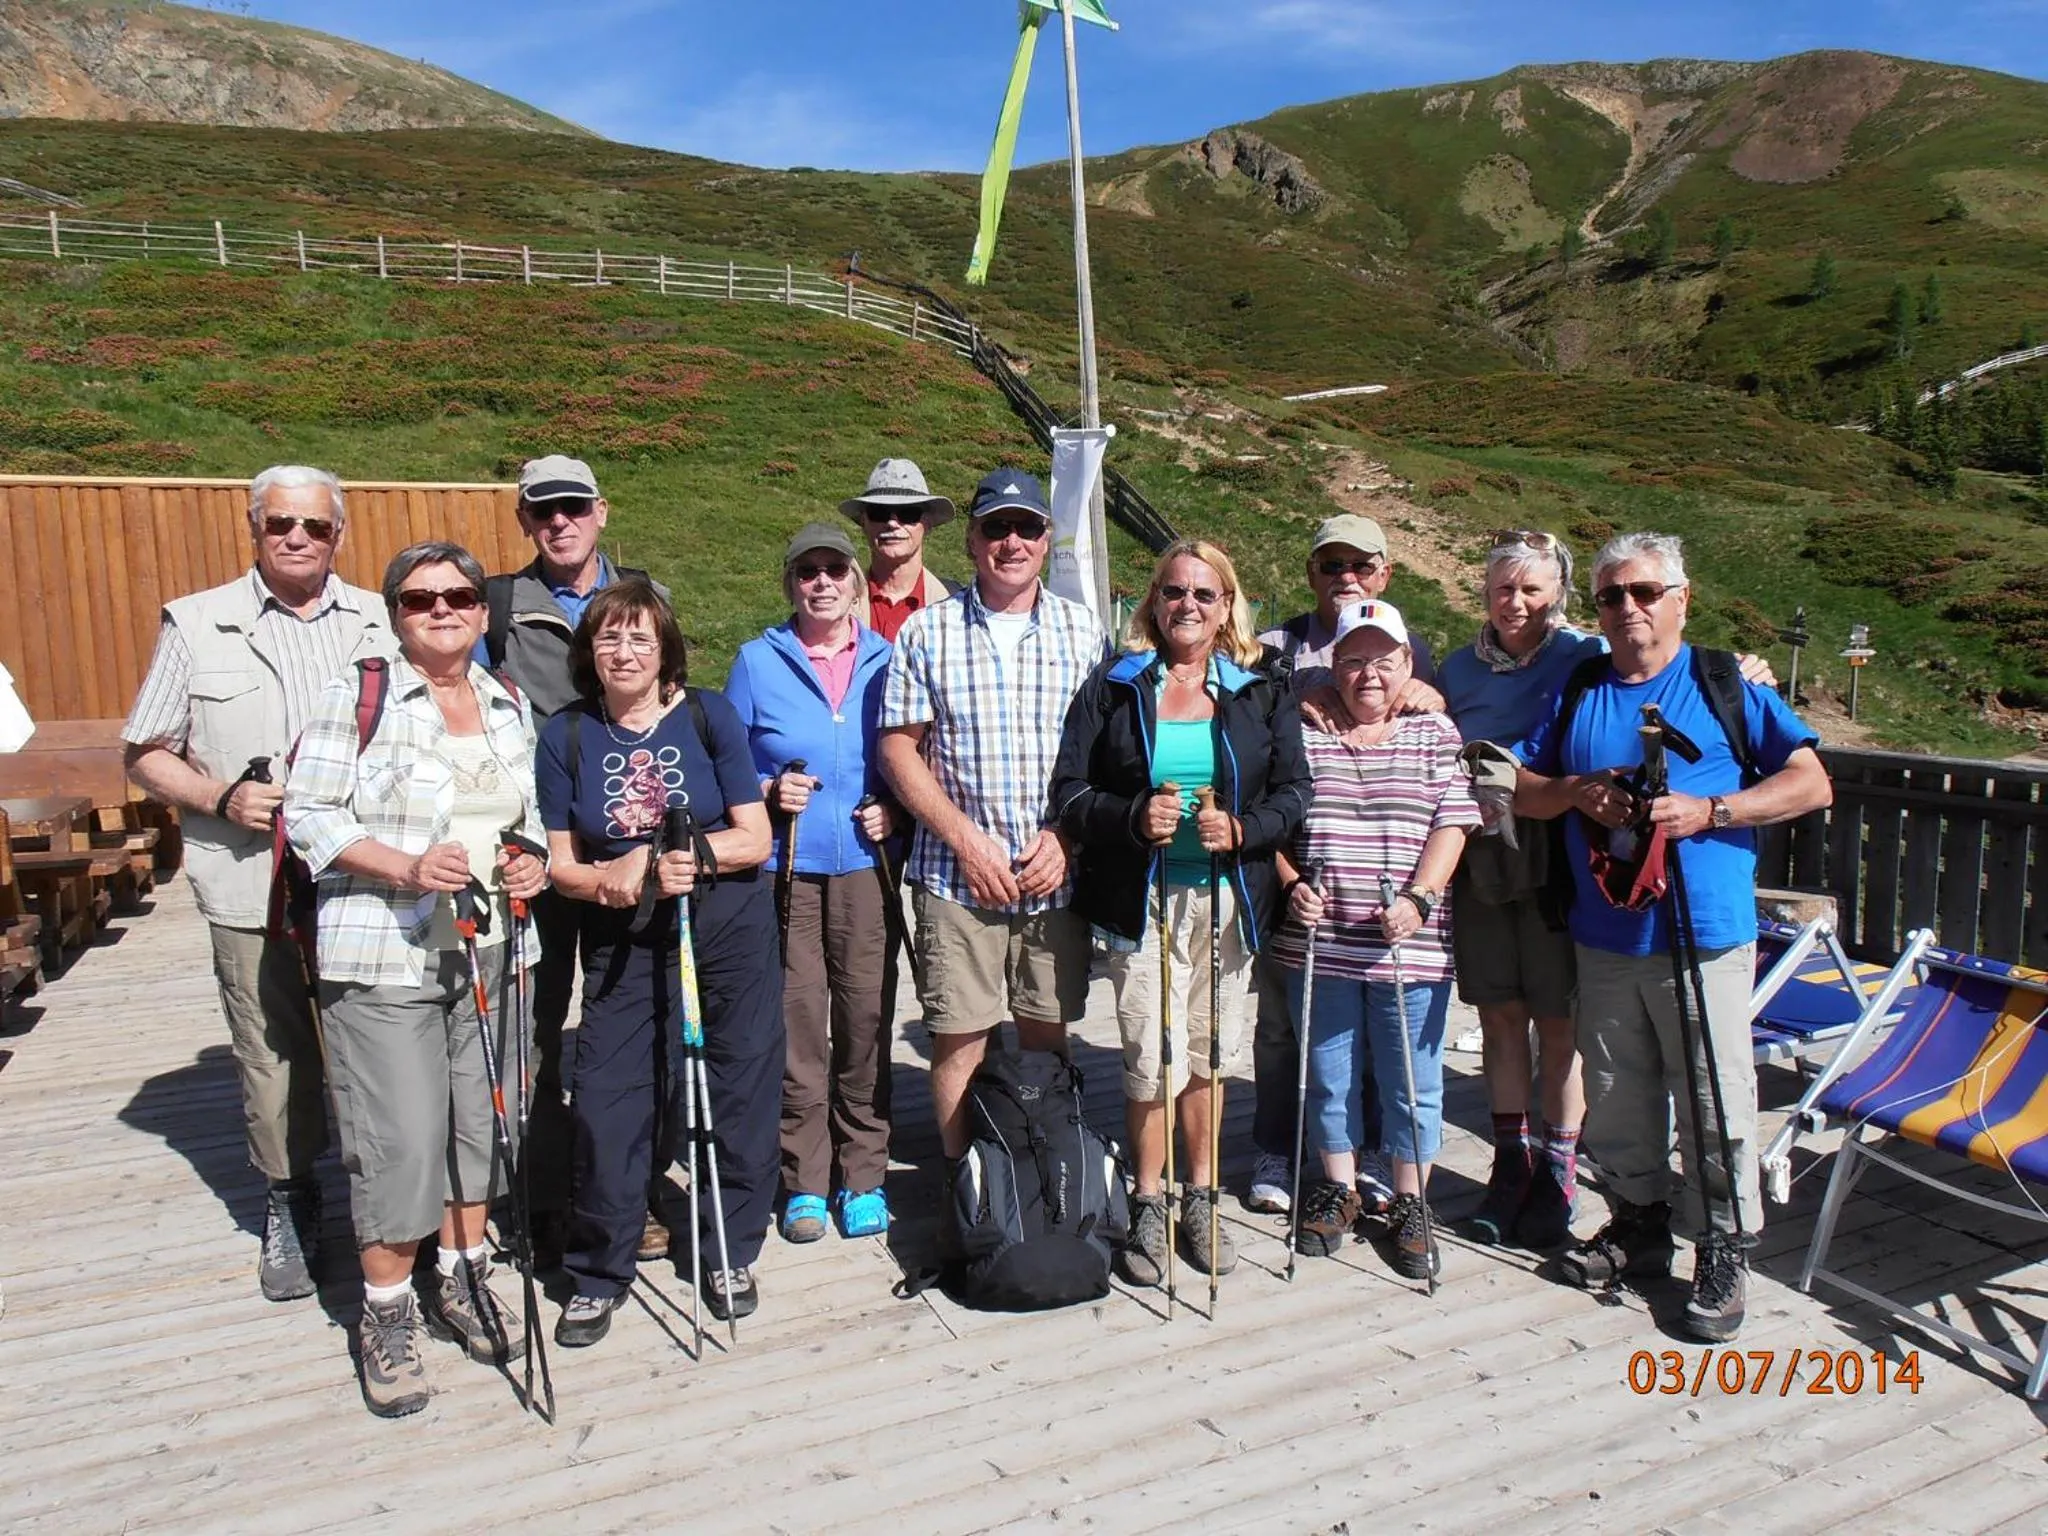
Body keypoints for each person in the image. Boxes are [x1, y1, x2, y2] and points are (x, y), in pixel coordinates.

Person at [1513, 532, 1831, 1342]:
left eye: (1645, 592)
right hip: (1605, 928)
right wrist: (1579, 792)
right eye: (1612, 595)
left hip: (1705, 931)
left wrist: (1713, 811)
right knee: (1617, 1092)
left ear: (1680, 599)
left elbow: (1809, 781)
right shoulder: (1583, 686)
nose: (1628, 608)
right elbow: (1523, 786)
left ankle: (1725, 1245)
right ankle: (1638, 1223)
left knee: (1713, 1092)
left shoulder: (1723, 683)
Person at [281, 541, 549, 1418]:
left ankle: (466, 1272)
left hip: (497, 945)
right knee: (400, 1134)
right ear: (395, 612)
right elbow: (309, 814)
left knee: (481, 1118)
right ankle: (387, 1310)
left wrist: (532, 863)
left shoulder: (506, 699)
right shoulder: (360, 694)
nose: (443, 610)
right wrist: (402, 864)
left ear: (481, 609)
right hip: (387, 950)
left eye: (461, 596)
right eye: (420, 598)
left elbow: (528, 813)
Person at [122, 464, 394, 1303]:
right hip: (250, 876)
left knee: (380, 1038)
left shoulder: (385, 618)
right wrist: (218, 796)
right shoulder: (199, 624)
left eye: (314, 526)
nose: (298, 538)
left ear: (339, 534)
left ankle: (388, 1207)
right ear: (255, 527)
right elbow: (144, 752)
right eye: (281, 524)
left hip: (366, 873)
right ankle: (290, 1197)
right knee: (271, 1044)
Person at [1051, 539, 1309, 1286]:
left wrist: (1245, 830)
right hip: (1145, 899)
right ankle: (1148, 1199)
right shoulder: (1116, 684)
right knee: (1147, 1056)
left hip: (1227, 903)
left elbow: (1295, 792)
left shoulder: (1259, 688)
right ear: (1152, 603)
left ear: (1228, 605)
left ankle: (1201, 1196)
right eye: (1174, 592)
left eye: (1204, 593)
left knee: (1209, 1052)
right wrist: (1133, 816)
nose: (1187, 606)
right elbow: (1068, 790)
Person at [535, 581, 780, 1341]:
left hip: (726, 931)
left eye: (640, 637)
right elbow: (561, 866)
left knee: (737, 1088)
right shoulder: (566, 735)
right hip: (621, 937)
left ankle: (727, 1248)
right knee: (610, 1100)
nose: (624, 652)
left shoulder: (708, 717)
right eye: (609, 638)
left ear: (665, 648)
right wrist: (624, 873)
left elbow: (756, 836)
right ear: (588, 651)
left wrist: (686, 857)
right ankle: (599, 1269)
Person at [878, 469, 1106, 1170]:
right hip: (956, 875)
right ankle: (966, 1191)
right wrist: (963, 839)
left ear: (1046, 540)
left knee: (1046, 1029)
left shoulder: (1084, 631)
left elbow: (1104, 753)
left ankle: (1047, 1181)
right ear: (973, 538)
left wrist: (1067, 838)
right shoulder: (927, 631)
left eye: (1027, 527)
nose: (1012, 541)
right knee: (960, 1037)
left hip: (1054, 875)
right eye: (997, 527)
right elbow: (898, 747)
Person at [479, 454, 670, 1264]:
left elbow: (673, 703)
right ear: (524, 520)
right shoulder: (495, 607)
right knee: (538, 1028)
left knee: (637, 1023)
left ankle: (635, 1189)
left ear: (601, 512)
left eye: (573, 508)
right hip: (540, 852)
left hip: (631, 856)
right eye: (542, 510)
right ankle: (543, 1194)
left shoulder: (646, 598)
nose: (559, 522)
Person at [1268, 600, 1479, 1279]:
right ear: (1333, 668)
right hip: (1322, 940)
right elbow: (1274, 819)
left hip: (1407, 944)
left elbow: (1454, 821)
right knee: (1327, 1079)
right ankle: (1340, 1186)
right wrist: (1291, 879)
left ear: (1406, 667)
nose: (1368, 676)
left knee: (1410, 1084)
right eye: (1353, 661)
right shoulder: (1304, 732)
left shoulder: (1434, 734)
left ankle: (1411, 1199)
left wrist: (1421, 896)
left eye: (1383, 663)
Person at [1245, 513, 1442, 1216]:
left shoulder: (1405, 645)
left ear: (1386, 573)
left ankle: (1371, 1162)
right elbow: (1242, 721)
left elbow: (1434, 749)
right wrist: (1303, 696)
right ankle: (1278, 1143)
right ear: (1312, 574)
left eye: (1361, 566)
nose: (1346, 579)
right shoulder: (1273, 646)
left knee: (1376, 1037)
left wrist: (1428, 695)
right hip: (1288, 873)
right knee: (1280, 1024)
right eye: (1332, 566)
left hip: (1378, 881)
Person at [725, 524, 899, 1243]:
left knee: (864, 1019)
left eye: (835, 569)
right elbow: (726, 764)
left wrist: (896, 807)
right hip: (786, 868)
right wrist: (768, 790)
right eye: (807, 572)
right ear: (790, 583)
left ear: (856, 580)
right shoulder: (757, 660)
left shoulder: (891, 657)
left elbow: (916, 749)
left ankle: (864, 1174)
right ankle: (804, 1178)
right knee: (798, 1024)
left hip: (865, 866)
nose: (821, 583)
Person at [1436, 532, 1604, 1249]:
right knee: (1501, 1015)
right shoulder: (1454, 667)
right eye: (1505, 587)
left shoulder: (1586, 657)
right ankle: (1511, 1163)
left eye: (1533, 589)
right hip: (1480, 859)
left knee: (1559, 1022)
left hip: (1556, 855)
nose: (1517, 602)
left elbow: (1659, 672)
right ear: (1485, 589)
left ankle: (1559, 1170)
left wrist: (1745, 669)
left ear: (1558, 593)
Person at [841, 458, 959, 643]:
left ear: (927, 523)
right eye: (879, 512)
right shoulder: (837, 604)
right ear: (863, 522)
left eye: (908, 513)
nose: (892, 523)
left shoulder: (957, 604)